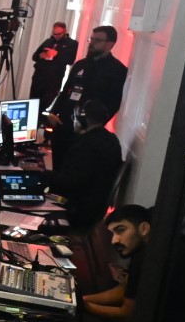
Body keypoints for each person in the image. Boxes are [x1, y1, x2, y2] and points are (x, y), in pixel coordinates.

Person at [48, 25, 128, 169]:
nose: (92, 43)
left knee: (73, 170)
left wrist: (93, 125)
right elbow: (65, 92)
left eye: (97, 40)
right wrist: (53, 113)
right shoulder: (80, 65)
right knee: (58, 169)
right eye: (91, 39)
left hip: (86, 131)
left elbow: (114, 103)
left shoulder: (118, 70)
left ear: (110, 44)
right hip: (64, 125)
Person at [43, 99, 123, 227]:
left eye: (74, 117)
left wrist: (42, 173)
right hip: (92, 208)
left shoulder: (86, 146)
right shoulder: (111, 139)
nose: (73, 120)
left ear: (82, 121)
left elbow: (70, 182)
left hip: (77, 211)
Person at [28, 21, 78, 108]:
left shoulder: (72, 44)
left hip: (54, 79)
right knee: (33, 103)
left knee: (45, 103)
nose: (56, 36)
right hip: (39, 77)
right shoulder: (48, 41)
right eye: (54, 34)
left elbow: (70, 61)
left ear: (65, 31)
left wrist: (57, 54)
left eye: (59, 34)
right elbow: (34, 56)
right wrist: (41, 55)